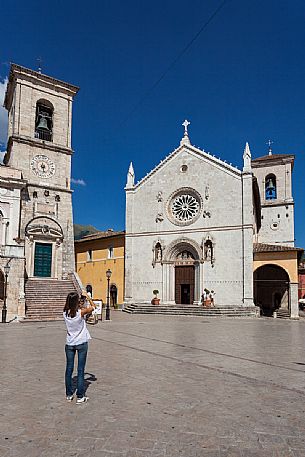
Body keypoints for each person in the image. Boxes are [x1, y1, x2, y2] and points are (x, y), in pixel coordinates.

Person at [63, 291, 96, 404]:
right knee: (80, 370)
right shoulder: (81, 312)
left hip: (69, 344)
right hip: (81, 343)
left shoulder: (65, 313)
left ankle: (68, 394)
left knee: (69, 369)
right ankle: (80, 396)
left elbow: (74, 308)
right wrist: (87, 297)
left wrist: (80, 301)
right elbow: (93, 307)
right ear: (76, 301)